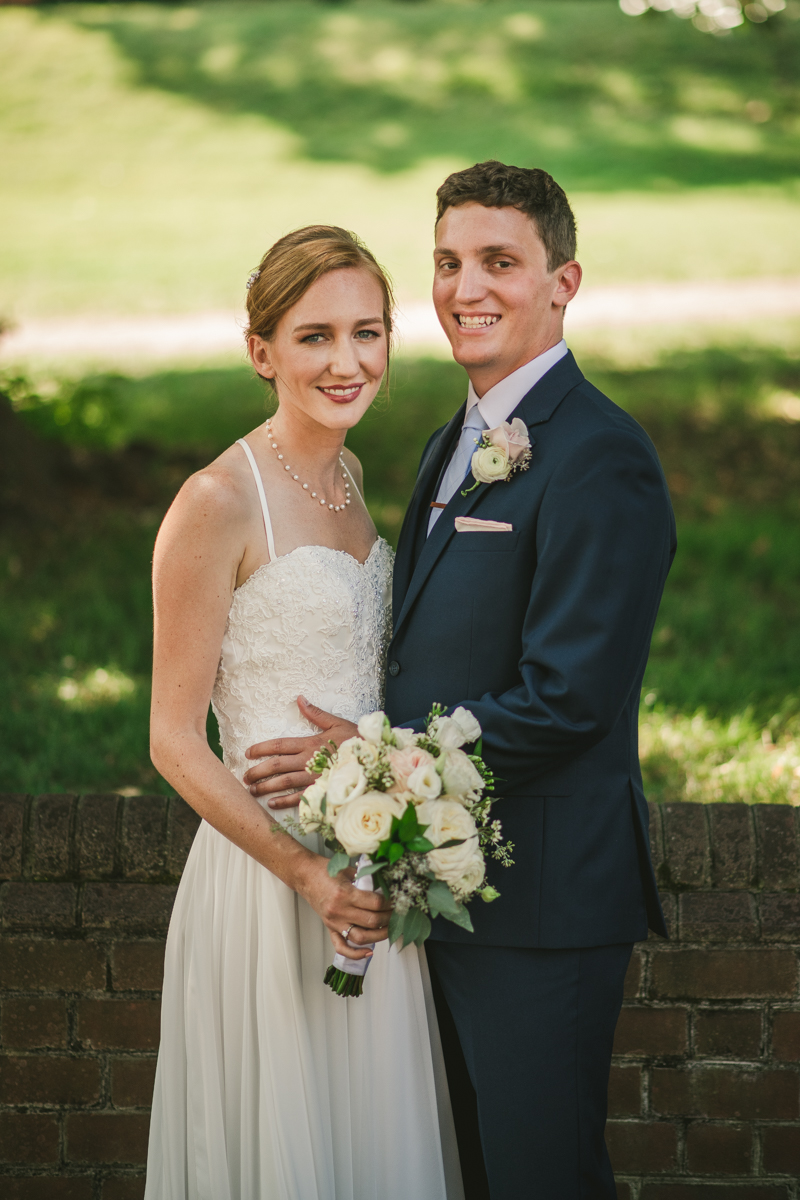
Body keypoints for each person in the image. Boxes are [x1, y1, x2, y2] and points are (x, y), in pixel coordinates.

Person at [248, 163, 676, 1198]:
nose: (464, 288)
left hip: (540, 900)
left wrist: (374, 756)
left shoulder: (599, 455)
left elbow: (568, 697)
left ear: (562, 280)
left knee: (543, 1176)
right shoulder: (454, 440)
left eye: (498, 262)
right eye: (446, 263)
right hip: (438, 889)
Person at [146, 225, 463, 1200]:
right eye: (314, 335)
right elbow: (170, 740)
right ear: (261, 351)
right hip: (268, 878)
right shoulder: (215, 501)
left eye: (366, 332)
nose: (346, 361)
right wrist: (305, 876)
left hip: (368, 872)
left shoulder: (353, 479)